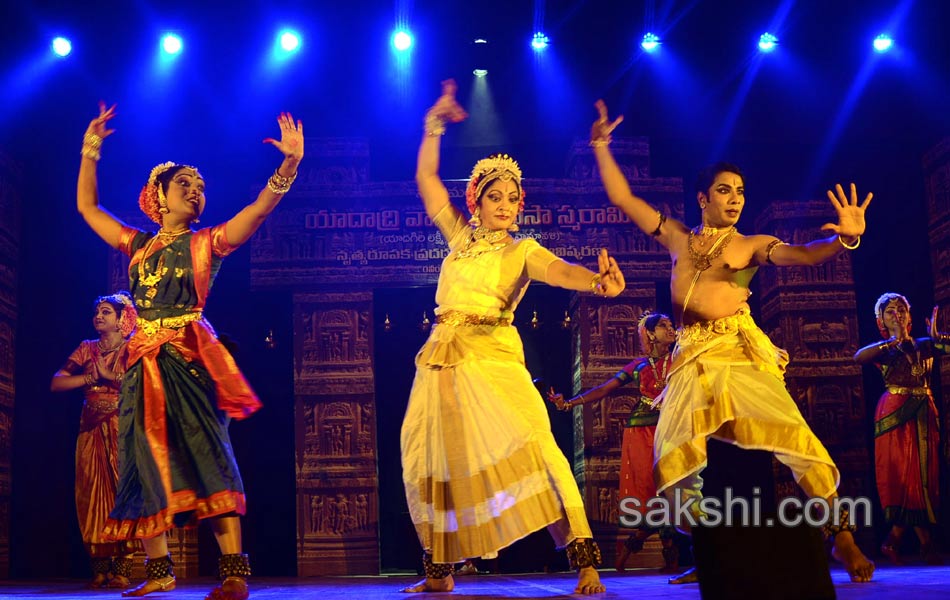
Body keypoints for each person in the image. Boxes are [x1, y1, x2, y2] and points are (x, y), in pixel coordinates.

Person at [589, 100, 875, 583]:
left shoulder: (749, 245)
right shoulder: (678, 237)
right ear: (703, 198)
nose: (735, 198)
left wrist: (844, 240)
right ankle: (714, 550)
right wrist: (599, 145)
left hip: (736, 354)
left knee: (795, 437)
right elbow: (624, 200)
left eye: (740, 191)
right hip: (689, 358)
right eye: (724, 190)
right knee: (673, 464)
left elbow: (803, 255)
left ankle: (842, 536)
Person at [400, 80, 625, 595]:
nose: (505, 204)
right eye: (493, 197)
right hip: (442, 358)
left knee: (535, 446)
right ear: (475, 203)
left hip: (495, 356)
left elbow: (560, 270)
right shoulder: (458, 238)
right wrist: (432, 125)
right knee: (435, 456)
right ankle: (440, 572)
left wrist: (595, 281)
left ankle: (585, 559)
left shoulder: (523, 250)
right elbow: (426, 177)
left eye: (511, 197)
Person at [76, 102, 303, 599]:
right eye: (186, 186)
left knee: (208, 452)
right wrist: (90, 150)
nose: (197, 193)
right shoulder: (137, 246)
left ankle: (234, 573)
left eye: (201, 188)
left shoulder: (206, 244)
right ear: (159, 196)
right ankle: (159, 575)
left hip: (187, 360)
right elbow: (88, 209)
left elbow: (257, 211)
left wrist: (288, 166)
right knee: (139, 459)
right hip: (142, 364)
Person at [548, 312, 680, 573]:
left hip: (672, 428)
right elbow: (605, 389)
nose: (671, 328)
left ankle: (636, 553)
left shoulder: (681, 359)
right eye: (664, 325)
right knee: (654, 493)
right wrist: (568, 404)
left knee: (673, 491)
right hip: (641, 431)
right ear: (651, 334)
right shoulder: (639, 366)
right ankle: (662, 558)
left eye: (671, 324)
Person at [51, 292, 139, 589]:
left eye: (106, 312)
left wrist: (110, 376)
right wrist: (90, 379)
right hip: (89, 428)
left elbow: (143, 385)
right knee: (91, 494)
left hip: (121, 426)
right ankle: (99, 568)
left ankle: (123, 567)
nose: (98, 317)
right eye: (97, 313)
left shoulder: (132, 349)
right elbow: (58, 381)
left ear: (121, 319)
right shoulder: (86, 348)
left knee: (120, 491)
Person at [855, 294, 946, 565]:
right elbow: (859, 356)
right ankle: (923, 542)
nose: (897, 315)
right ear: (880, 320)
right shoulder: (886, 351)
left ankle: (896, 540)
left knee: (922, 474)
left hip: (924, 411)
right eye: (890, 312)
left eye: (902, 310)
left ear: (910, 314)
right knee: (900, 473)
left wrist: (940, 338)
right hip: (894, 411)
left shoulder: (924, 346)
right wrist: (891, 342)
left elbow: (946, 348)